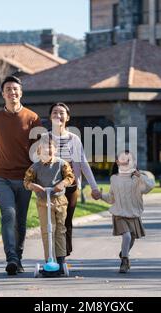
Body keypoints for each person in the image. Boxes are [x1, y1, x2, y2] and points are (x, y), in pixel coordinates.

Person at [0, 75, 42, 276]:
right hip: (2, 176)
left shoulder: (33, 118)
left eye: (15, 89)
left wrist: (39, 176)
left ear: (20, 93)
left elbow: (40, 152)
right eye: (8, 89)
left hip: (25, 178)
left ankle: (19, 257)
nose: (12, 92)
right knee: (9, 214)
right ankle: (11, 258)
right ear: (2, 94)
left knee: (20, 220)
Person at [47, 103, 101, 257]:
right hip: (51, 187)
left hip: (71, 186)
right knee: (53, 222)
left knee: (66, 220)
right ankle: (54, 253)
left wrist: (94, 187)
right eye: (55, 112)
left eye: (62, 112)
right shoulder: (45, 137)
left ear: (67, 117)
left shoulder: (74, 139)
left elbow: (83, 163)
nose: (58, 115)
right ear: (50, 117)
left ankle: (64, 254)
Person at [24, 136, 75, 269]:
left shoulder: (62, 164)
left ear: (56, 149)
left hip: (59, 200)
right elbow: (26, 182)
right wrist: (33, 186)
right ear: (39, 151)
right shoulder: (34, 168)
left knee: (60, 229)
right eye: (45, 148)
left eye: (51, 147)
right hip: (43, 201)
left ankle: (61, 259)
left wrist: (62, 183)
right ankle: (49, 259)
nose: (49, 150)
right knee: (47, 230)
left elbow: (70, 177)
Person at [100, 150, 155, 273]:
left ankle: (124, 253)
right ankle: (124, 261)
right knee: (127, 236)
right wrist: (100, 195)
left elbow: (150, 186)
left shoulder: (138, 179)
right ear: (117, 162)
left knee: (132, 238)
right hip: (119, 213)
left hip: (134, 213)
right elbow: (111, 198)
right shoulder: (114, 179)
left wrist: (140, 176)